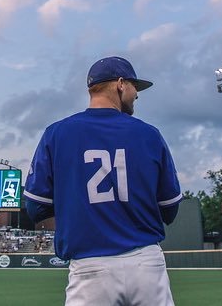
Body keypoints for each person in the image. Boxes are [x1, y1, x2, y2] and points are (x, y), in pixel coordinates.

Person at [24, 56, 182, 305]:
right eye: (133, 86)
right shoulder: (149, 135)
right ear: (120, 84)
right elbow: (170, 210)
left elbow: (35, 208)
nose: (136, 95)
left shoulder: (56, 133)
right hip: (146, 265)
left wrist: (75, 197)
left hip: (90, 268)